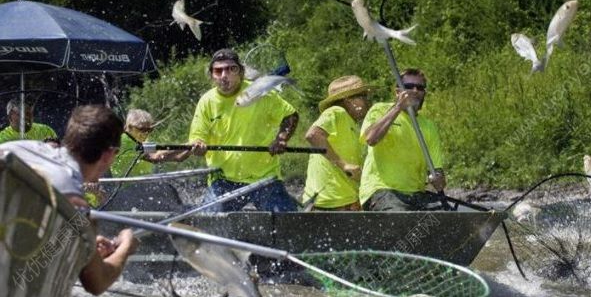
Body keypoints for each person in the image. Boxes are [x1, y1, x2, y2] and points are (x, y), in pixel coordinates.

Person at [0, 105, 138, 295]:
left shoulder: (17, 147)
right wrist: (125, 247)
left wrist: (85, 242)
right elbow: (97, 283)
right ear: (108, 155)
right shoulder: (77, 205)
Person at [189, 48, 299, 212]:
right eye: (218, 71)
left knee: (288, 225)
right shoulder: (206, 101)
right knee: (209, 225)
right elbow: (198, 137)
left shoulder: (260, 91)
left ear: (240, 72)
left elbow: (290, 115)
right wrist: (198, 146)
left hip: (265, 177)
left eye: (230, 69)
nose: (224, 75)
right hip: (223, 179)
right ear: (212, 75)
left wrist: (281, 138)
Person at [359, 68, 446, 211]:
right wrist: (398, 107)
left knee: (443, 219)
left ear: (424, 92)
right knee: (402, 220)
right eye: (409, 87)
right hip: (383, 191)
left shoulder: (429, 126)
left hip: (416, 194)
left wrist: (438, 180)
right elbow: (371, 139)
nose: (415, 90)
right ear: (398, 92)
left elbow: (439, 174)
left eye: (420, 87)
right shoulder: (379, 110)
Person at [302, 75, 370, 211]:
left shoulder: (350, 123)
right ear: (348, 100)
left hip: (342, 201)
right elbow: (313, 135)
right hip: (330, 203)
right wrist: (344, 165)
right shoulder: (336, 112)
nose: (367, 100)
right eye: (362, 95)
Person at [111, 108, 191, 177]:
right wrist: (187, 146)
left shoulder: (142, 142)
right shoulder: (124, 141)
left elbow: (177, 158)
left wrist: (191, 149)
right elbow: (156, 157)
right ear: (130, 127)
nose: (146, 133)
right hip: (125, 189)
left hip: (144, 184)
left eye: (149, 130)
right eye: (142, 129)